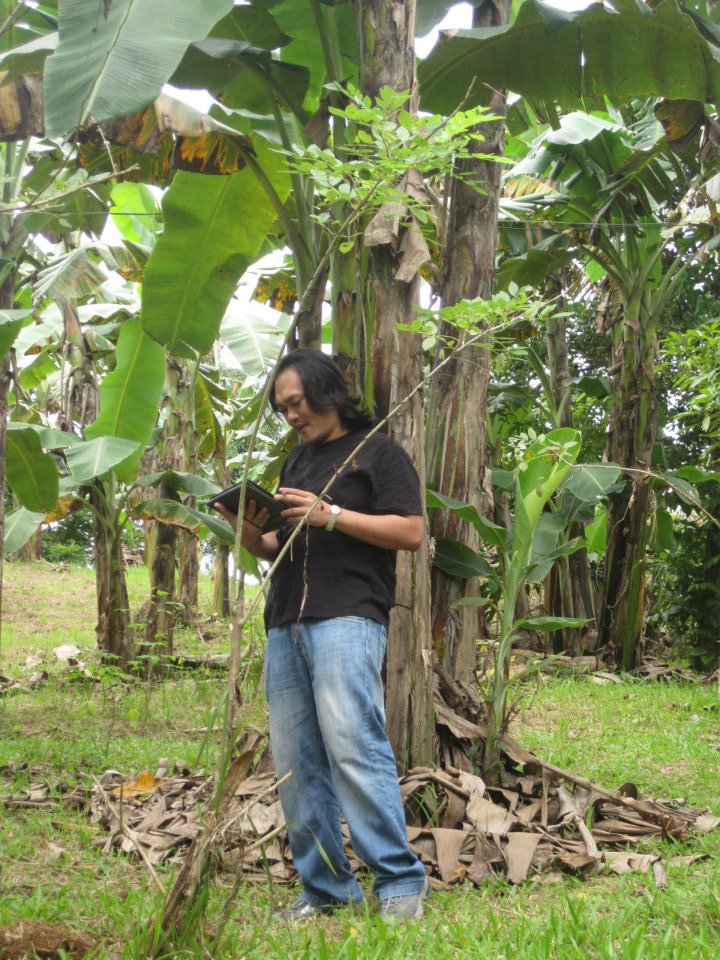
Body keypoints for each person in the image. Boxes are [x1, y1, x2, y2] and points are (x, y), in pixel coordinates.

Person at [214, 348, 429, 922]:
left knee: (354, 745)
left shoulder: (378, 452)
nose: (291, 416)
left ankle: (400, 882)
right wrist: (247, 532)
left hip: (348, 616)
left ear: (327, 390)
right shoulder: (296, 463)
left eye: (297, 403)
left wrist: (330, 514)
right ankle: (327, 890)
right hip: (285, 622)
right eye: (282, 409)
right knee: (295, 761)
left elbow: (411, 531)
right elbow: (276, 546)